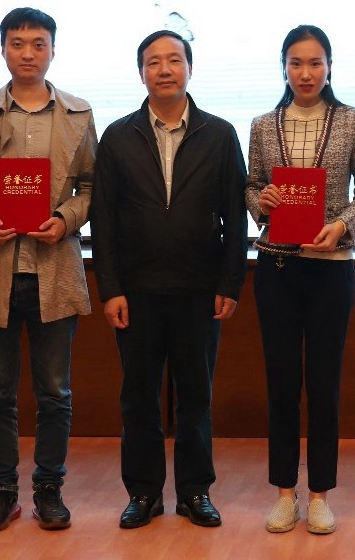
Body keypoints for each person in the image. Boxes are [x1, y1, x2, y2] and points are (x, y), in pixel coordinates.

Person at [91, 30, 247, 530]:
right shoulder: (118, 136)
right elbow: (103, 220)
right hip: (136, 292)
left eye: (174, 60)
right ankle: (143, 493)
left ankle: (195, 491)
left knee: (196, 396)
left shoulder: (219, 134)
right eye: (154, 61)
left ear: (189, 69)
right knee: (138, 397)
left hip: (199, 290)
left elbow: (236, 218)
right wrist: (110, 288)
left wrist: (230, 283)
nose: (164, 69)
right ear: (141, 73)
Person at [0, 8, 97, 533]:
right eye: (18, 43)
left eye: (38, 43)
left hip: (53, 269)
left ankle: (49, 490)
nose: (28, 53)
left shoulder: (79, 114)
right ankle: (1, 491)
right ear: (3, 50)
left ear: (53, 50)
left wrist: (66, 219)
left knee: (55, 392)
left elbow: (91, 188)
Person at [245, 25, 355, 535]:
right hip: (277, 268)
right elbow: (251, 187)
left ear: (329, 66)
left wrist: (342, 225)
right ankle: (285, 493)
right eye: (296, 63)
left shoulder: (352, 120)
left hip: (330, 269)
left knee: (324, 385)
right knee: (281, 384)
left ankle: (320, 494)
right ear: (283, 67)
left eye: (315, 62)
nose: (306, 73)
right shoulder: (262, 125)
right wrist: (262, 202)